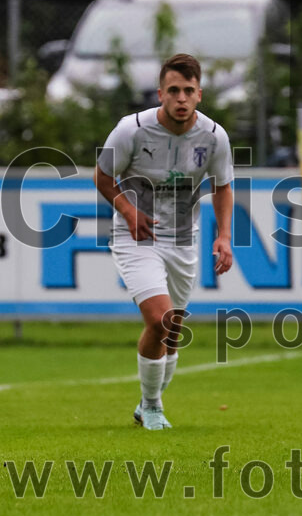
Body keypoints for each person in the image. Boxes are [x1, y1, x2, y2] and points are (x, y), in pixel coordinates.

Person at [94, 53, 234, 431]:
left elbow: (223, 187)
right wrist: (127, 212)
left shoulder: (214, 136)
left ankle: (145, 403)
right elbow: (103, 177)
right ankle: (153, 407)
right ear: (160, 93)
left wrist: (224, 236)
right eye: (174, 90)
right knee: (161, 320)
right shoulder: (130, 130)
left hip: (184, 241)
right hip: (136, 237)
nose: (181, 98)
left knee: (172, 332)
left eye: (188, 90)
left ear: (199, 94)